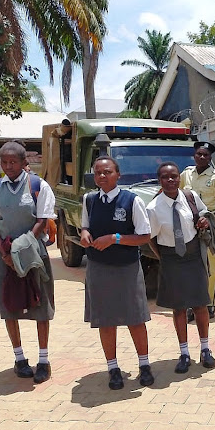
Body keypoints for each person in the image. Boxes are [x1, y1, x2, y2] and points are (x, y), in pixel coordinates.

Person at [0, 141, 56, 384]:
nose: (8, 166)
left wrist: (21, 247)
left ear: (24, 162)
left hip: (33, 254)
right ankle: (19, 359)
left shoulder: (37, 185)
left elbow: (43, 221)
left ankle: (43, 360)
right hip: (3, 255)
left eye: (13, 162)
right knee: (9, 306)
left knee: (40, 305)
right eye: (4, 162)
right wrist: (5, 253)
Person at [80, 156, 154, 390]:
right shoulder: (89, 200)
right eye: (98, 172)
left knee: (135, 318)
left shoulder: (131, 201)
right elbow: (85, 225)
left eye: (108, 172)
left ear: (118, 174)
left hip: (127, 268)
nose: (102, 176)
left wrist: (115, 238)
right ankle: (113, 368)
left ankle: (144, 365)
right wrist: (83, 233)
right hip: (98, 267)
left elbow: (144, 236)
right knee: (105, 320)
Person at [147, 162, 215, 374]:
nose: (171, 180)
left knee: (200, 304)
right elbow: (150, 238)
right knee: (178, 308)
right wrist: (164, 257)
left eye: (174, 177)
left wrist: (204, 220)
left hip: (194, 255)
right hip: (171, 258)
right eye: (166, 177)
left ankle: (205, 349)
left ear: (180, 178)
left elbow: (203, 214)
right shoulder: (154, 208)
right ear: (159, 180)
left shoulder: (190, 197)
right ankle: (184, 353)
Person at [180, 141, 215, 320]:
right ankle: (190, 305)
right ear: (194, 155)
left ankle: (210, 304)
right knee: (189, 266)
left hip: (209, 224)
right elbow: (176, 195)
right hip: (188, 225)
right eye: (199, 154)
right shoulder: (186, 174)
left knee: (210, 266)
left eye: (206, 155)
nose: (202, 157)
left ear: (210, 158)